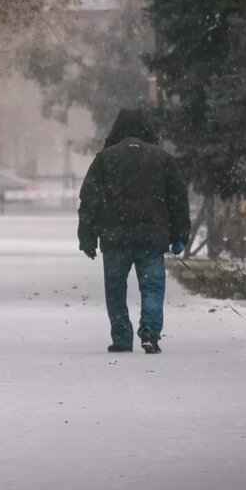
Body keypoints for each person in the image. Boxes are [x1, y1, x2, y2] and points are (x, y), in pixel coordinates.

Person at [78, 109, 190, 354]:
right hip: (151, 238)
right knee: (152, 287)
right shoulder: (162, 159)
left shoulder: (105, 159)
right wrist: (180, 234)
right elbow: (178, 199)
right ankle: (150, 330)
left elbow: (90, 200)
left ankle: (121, 335)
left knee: (116, 288)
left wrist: (87, 236)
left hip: (114, 237)